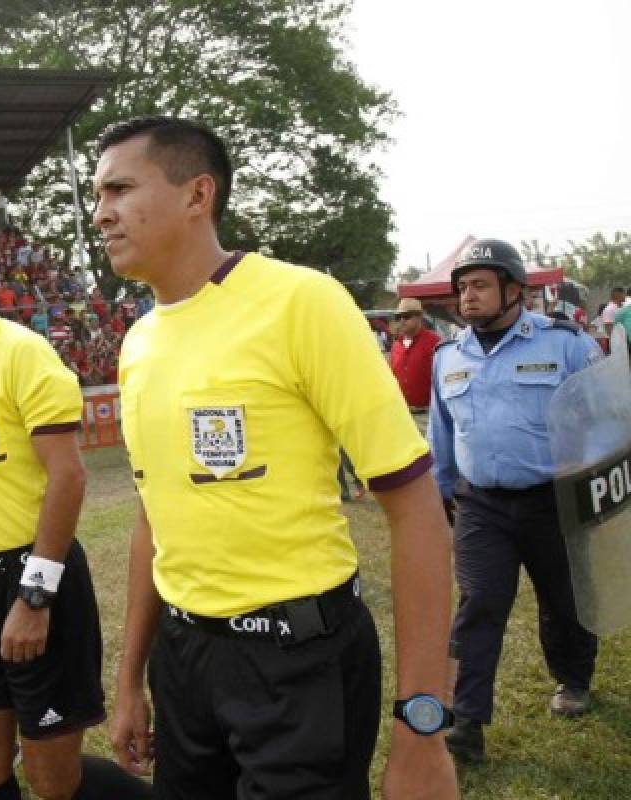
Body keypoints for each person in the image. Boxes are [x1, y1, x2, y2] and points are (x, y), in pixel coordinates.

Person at [93, 116, 457, 799]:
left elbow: (415, 512)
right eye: (97, 195)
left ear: (198, 195)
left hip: (300, 661)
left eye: (119, 189)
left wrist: (422, 727)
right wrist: (130, 681)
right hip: (184, 660)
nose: (101, 213)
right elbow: (154, 516)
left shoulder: (301, 303)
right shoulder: (138, 343)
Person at [0, 221, 150, 800]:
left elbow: (68, 475)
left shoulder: (22, 352)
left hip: (35, 581)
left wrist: (35, 597)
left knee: (52, 778)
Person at [427, 239, 604, 763]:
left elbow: (606, 420)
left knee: (563, 599)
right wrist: (442, 492)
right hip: (481, 506)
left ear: (514, 290)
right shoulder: (447, 357)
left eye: (480, 285)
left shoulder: (567, 345)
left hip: (555, 501)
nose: (468, 297)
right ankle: (467, 721)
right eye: (462, 287)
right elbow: (441, 434)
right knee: (479, 604)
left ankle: (573, 679)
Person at [389, 297, 442, 413]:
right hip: (403, 414)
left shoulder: (434, 342)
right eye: (399, 317)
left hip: (428, 413)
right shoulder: (396, 345)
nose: (402, 320)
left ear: (419, 317)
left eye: (407, 316)